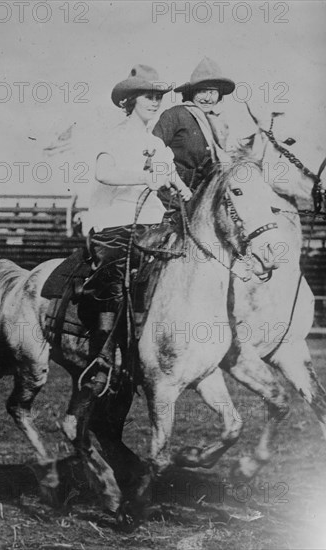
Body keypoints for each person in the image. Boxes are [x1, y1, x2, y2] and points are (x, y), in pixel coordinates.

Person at [85, 64, 191, 393]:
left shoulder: (156, 144)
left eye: (159, 96)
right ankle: (99, 362)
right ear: (130, 100)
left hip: (151, 223)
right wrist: (144, 177)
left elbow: (169, 175)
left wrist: (183, 190)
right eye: (149, 96)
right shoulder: (114, 135)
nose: (156, 101)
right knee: (113, 285)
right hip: (116, 223)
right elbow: (103, 173)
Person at [153, 57, 235, 211]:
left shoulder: (218, 125)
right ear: (191, 93)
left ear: (219, 95)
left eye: (212, 92)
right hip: (172, 197)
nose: (207, 98)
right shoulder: (175, 115)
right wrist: (173, 183)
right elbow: (152, 152)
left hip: (205, 199)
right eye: (202, 91)